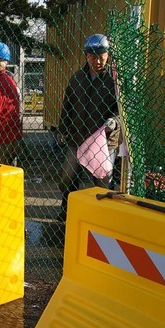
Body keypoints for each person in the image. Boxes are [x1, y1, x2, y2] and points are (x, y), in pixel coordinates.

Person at [57, 33, 121, 220]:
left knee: (103, 181)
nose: (98, 61)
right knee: (67, 177)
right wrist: (62, 129)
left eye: (102, 56)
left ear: (108, 54)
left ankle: (101, 216)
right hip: (78, 137)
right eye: (93, 57)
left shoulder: (113, 81)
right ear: (86, 56)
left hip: (103, 141)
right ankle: (67, 208)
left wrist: (114, 122)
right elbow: (67, 105)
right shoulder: (77, 78)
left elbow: (120, 110)